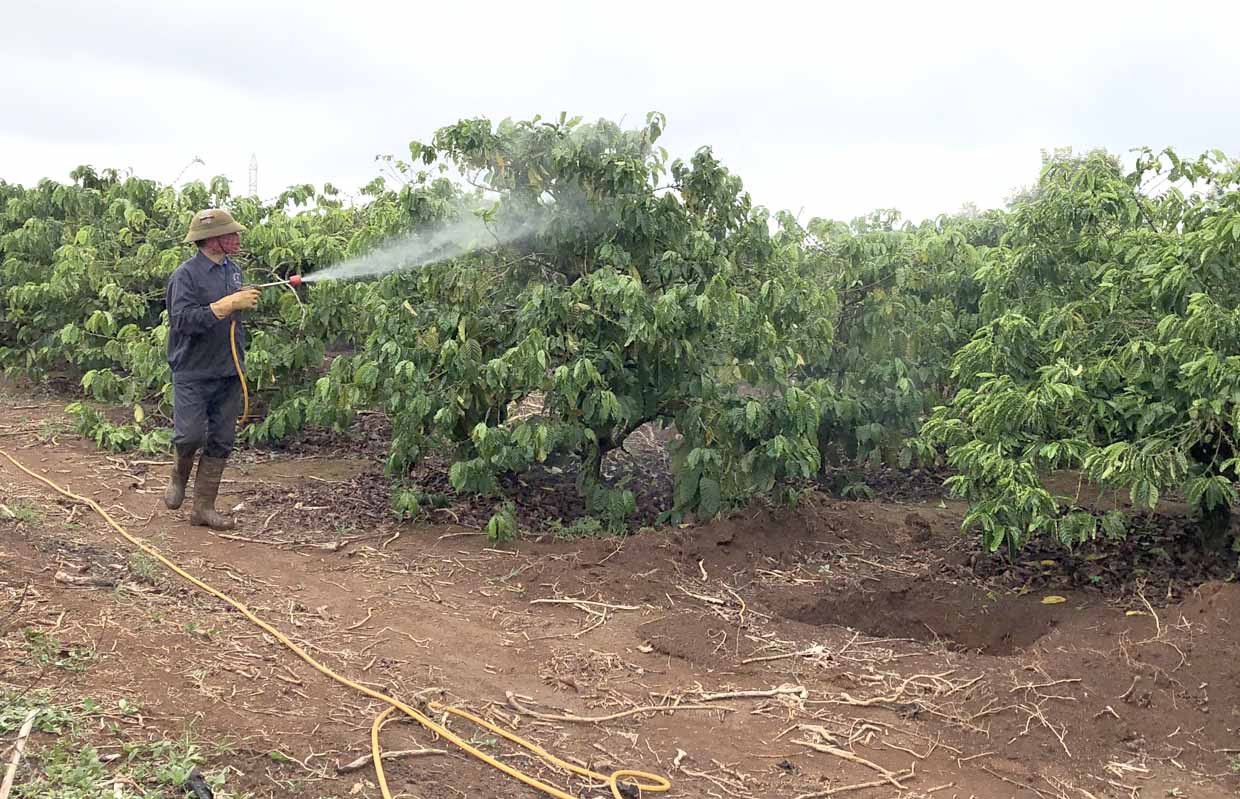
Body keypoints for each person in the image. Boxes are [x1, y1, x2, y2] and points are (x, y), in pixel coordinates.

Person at [162, 209, 260, 530]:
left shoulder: (234, 272)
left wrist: (240, 301)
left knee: (222, 440)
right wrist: (228, 305)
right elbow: (184, 321)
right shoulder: (185, 276)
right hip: (192, 371)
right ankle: (178, 477)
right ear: (212, 239)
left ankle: (203, 508)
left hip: (228, 370)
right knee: (189, 436)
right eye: (231, 234)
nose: (238, 238)